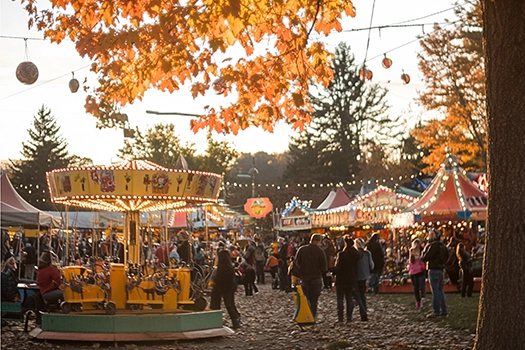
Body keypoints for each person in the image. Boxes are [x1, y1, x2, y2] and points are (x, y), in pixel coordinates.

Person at [332, 235, 366, 323]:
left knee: (340, 299)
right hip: (351, 278)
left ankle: (340, 318)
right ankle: (349, 317)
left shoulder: (341, 254)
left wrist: (331, 270)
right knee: (349, 298)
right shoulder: (356, 255)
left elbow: (338, 267)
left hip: (341, 279)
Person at [294, 233, 327, 319]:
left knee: (306, 298)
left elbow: (296, 263)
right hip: (316, 278)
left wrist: (301, 273)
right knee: (314, 300)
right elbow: (324, 267)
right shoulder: (320, 251)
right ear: (318, 241)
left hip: (305, 278)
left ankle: (306, 315)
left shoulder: (302, 250)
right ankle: (312, 316)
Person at [210, 249, 242, 329]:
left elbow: (219, 279)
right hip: (229, 288)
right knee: (230, 303)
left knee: (222, 303)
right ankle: (236, 320)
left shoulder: (222, 268)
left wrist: (215, 283)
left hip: (221, 287)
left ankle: (215, 320)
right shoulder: (229, 267)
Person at [421, 229, 449, 317]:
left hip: (433, 269)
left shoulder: (433, 245)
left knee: (435, 291)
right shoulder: (443, 245)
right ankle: (444, 310)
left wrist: (425, 249)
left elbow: (425, 257)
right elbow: (447, 256)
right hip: (440, 269)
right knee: (440, 290)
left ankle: (436, 311)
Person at [355, 238, 374, 315]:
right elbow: (372, 265)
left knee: (357, 294)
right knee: (362, 294)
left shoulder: (355, 253)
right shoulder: (367, 253)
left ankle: (362, 310)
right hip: (365, 275)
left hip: (356, 275)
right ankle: (364, 311)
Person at [407, 239, 427, 310]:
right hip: (418, 271)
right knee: (420, 286)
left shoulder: (413, 251)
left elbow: (410, 262)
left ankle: (419, 301)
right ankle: (421, 299)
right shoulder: (419, 251)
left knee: (417, 287)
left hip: (415, 272)